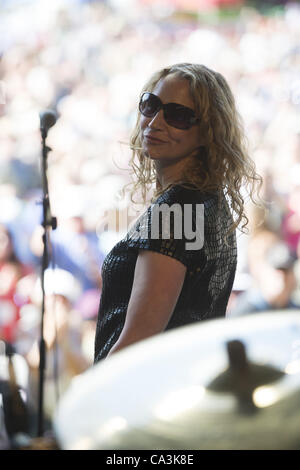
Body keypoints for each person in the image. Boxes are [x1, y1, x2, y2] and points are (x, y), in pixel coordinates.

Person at [94, 63, 262, 363]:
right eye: (151, 105)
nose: (155, 122)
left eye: (178, 116)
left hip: (143, 395)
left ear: (207, 132)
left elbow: (137, 342)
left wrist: (88, 399)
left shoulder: (174, 213)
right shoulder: (207, 199)